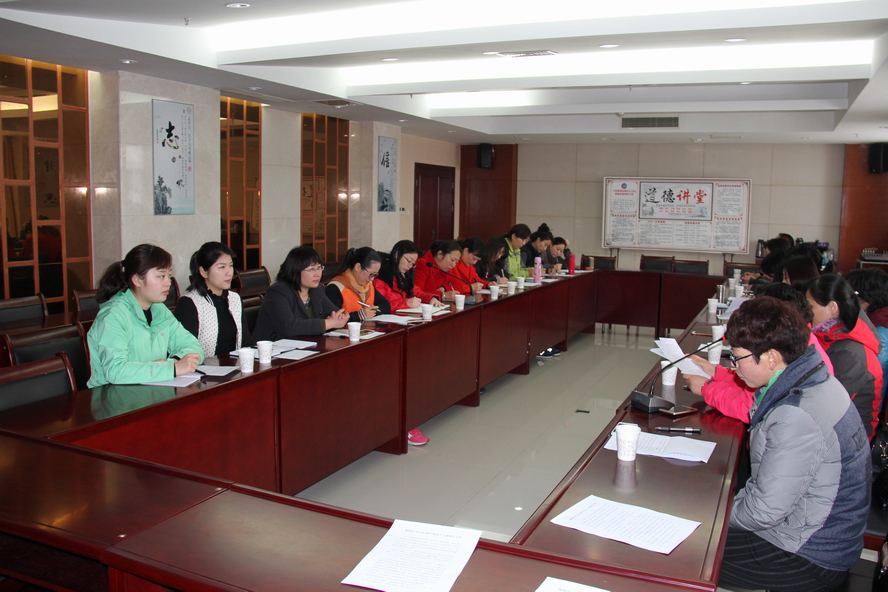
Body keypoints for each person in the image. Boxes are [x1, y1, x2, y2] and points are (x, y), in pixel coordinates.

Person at [717, 297, 869, 592]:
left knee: (688, 550)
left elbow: (763, 511)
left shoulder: (796, 414)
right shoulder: (815, 379)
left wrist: (709, 513)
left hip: (810, 556)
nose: (734, 367)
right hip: (811, 530)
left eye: (737, 358)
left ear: (771, 358)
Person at [683, 282, 834, 423]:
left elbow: (750, 408)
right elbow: (753, 381)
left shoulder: (789, 358)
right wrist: (717, 373)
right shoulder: (797, 343)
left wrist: (707, 388)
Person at [87, 244, 203, 387]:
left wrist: (176, 362)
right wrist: (171, 369)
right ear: (137, 280)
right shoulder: (113, 316)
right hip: (112, 395)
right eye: (161, 276)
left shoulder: (159, 309)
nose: (168, 283)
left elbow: (193, 346)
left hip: (151, 390)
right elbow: (115, 371)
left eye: (169, 275)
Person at [807, 273, 883, 440]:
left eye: (810, 306)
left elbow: (828, 405)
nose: (807, 313)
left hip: (851, 441)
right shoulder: (829, 336)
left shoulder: (851, 352)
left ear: (832, 308)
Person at [252, 245, 349, 340]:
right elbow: (289, 327)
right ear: (295, 271)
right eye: (311, 269)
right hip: (275, 347)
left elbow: (335, 312)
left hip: (308, 344)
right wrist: (329, 323)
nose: (318, 274)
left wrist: (341, 317)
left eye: (319, 268)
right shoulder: (277, 292)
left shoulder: (316, 290)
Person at [175, 242, 250, 357]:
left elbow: (245, 342)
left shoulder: (234, 299)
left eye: (231, 265)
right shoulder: (189, 303)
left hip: (235, 365)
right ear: (204, 272)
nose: (229, 272)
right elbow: (185, 351)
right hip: (203, 367)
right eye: (222, 267)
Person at [845, 267, 888, 405]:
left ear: (866, 300)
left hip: (867, 405)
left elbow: (864, 377)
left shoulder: (880, 332)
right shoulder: (874, 320)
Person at [373, 240, 441, 311]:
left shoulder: (401, 276)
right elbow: (380, 306)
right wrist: (405, 303)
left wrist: (431, 298)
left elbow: (416, 292)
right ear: (397, 254)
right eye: (409, 261)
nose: (410, 266)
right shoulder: (380, 277)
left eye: (413, 264)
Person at [326, 247, 390, 321]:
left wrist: (371, 312)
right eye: (371, 274)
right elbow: (333, 318)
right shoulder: (336, 287)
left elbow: (385, 305)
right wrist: (359, 315)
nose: (372, 279)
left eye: (375, 275)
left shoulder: (368, 285)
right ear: (358, 267)